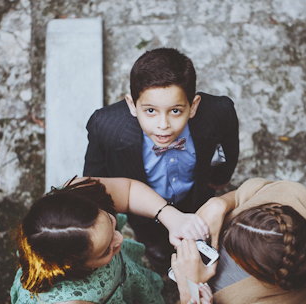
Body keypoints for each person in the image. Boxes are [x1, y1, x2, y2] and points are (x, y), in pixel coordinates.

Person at [83, 48, 239, 268]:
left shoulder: (219, 111)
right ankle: (160, 259)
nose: (163, 125)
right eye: (150, 111)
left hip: (196, 198)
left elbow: (230, 144)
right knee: (154, 244)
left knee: (200, 236)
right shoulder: (106, 128)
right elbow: (95, 180)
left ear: (193, 107)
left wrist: (222, 176)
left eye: (175, 111)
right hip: (145, 214)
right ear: (132, 105)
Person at [9, 177, 209, 304]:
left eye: (111, 221)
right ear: (73, 267)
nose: (121, 238)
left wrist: (170, 216)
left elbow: (128, 190)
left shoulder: (69, 201)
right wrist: (188, 291)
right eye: (106, 250)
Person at [171, 178, 306, 304]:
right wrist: (221, 203)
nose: (225, 229)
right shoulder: (296, 195)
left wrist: (189, 289)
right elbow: (251, 192)